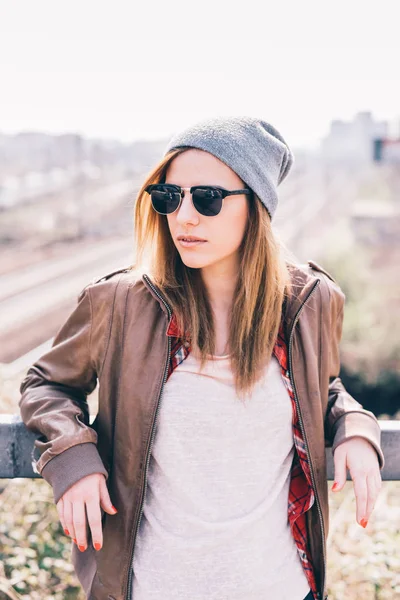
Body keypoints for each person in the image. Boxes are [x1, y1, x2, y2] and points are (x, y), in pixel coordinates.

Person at [18, 115, 385, 600]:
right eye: (170, 198)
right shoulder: (120, 304)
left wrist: (355, 429)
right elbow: (46, 384)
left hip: (282, 588)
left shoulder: (310, 304)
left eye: (207, 199)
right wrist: (73, 457)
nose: (184, 217)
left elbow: (324, 388)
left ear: (256, 207)